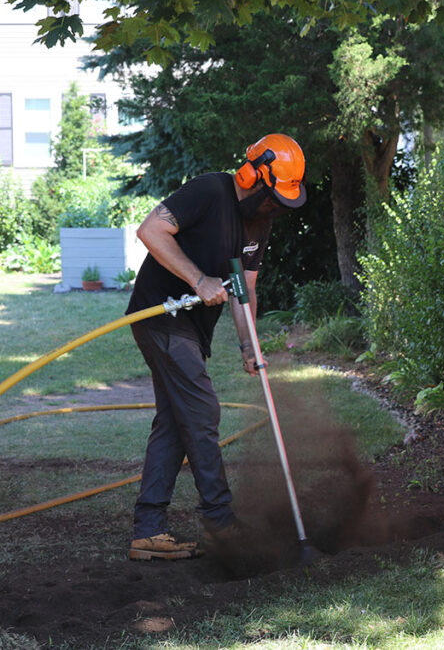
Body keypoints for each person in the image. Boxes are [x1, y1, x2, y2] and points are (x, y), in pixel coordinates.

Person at [125, 134, 307, 560]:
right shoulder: (209, 191)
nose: (274, 207)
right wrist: (198, 279)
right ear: (252, 175)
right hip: (159, 315)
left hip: (191, 329)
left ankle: (148, 531)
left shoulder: (260, 221)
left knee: (175, 422)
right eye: (272, 196)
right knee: (202, 410)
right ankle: (220, 524)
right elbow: (151, 229)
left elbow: (247, 289)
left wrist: (249, 345)